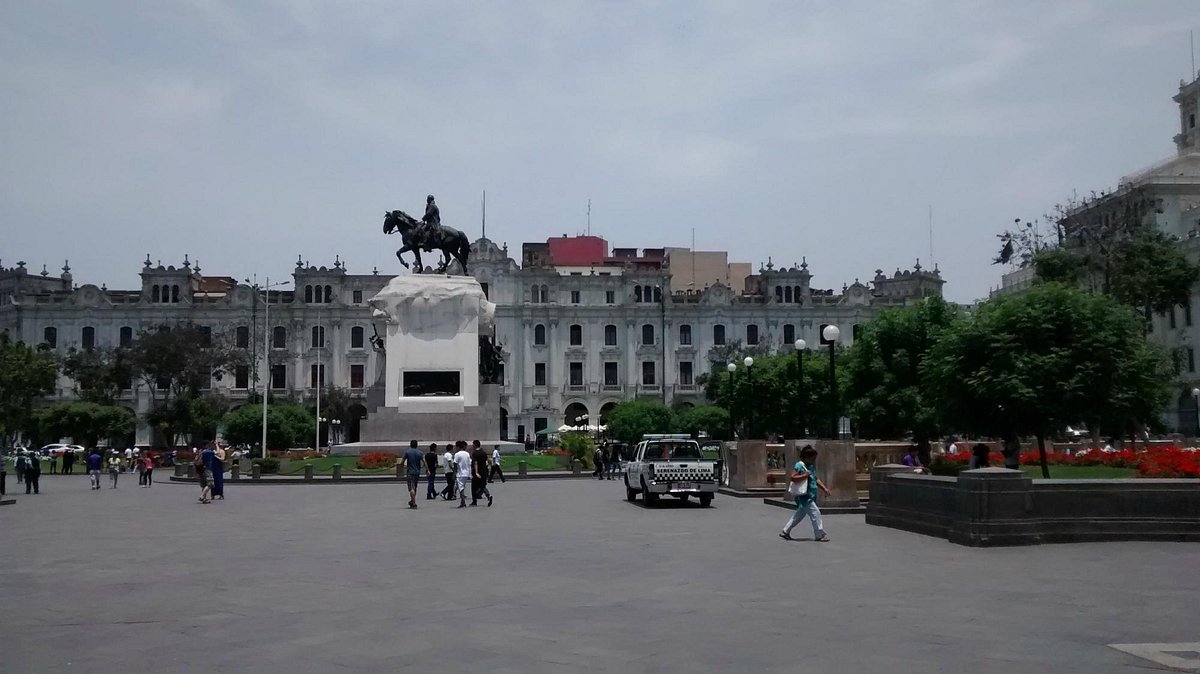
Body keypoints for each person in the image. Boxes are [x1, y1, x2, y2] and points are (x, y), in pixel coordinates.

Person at [779, 446, 831, 542]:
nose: (813, 460)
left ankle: (785, 531)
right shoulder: (799, 465)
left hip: (810, 494)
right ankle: (819, 534)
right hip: (804, 496)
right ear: (806, 457)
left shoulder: (810, 467)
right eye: (812, 458)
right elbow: (792, 477)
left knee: (799, 515)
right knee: (816, 513)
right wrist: (804, 475)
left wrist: (824, 488)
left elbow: (815, 479)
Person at [401, 440, 424, 509]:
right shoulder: (420, 452)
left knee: (411, 488)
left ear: (410, 445)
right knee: (415, 487)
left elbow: (402, 462)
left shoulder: (407, 452)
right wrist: (427, 470)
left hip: (410, 472)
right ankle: (412, 500)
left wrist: (403, 467)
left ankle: (414, 503)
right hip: (417, 472)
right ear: (417, 445)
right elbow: (424, 461)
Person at [471, 440, 492, 506]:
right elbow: (488, 461)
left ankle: (474, 502)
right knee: (482, 486)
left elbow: (475, 463)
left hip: (477, 472)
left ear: (475, 445)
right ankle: (488, 496)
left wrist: (476, 472)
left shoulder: (474, 453)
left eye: (473, 444)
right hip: (484, 472)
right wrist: (489, 468)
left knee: (473, 487)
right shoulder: (483, 452)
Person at [452, 441, 472, 508]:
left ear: (458, 447)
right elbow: (469, 464)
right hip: (466, 473)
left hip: (460, 474)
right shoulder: (467, 454)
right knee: (462, 487)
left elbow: (455, 464)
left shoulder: (457, 454)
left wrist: (454, 473)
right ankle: (462, 502)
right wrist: (469, 473)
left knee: (461, 488)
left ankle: (463, 502)